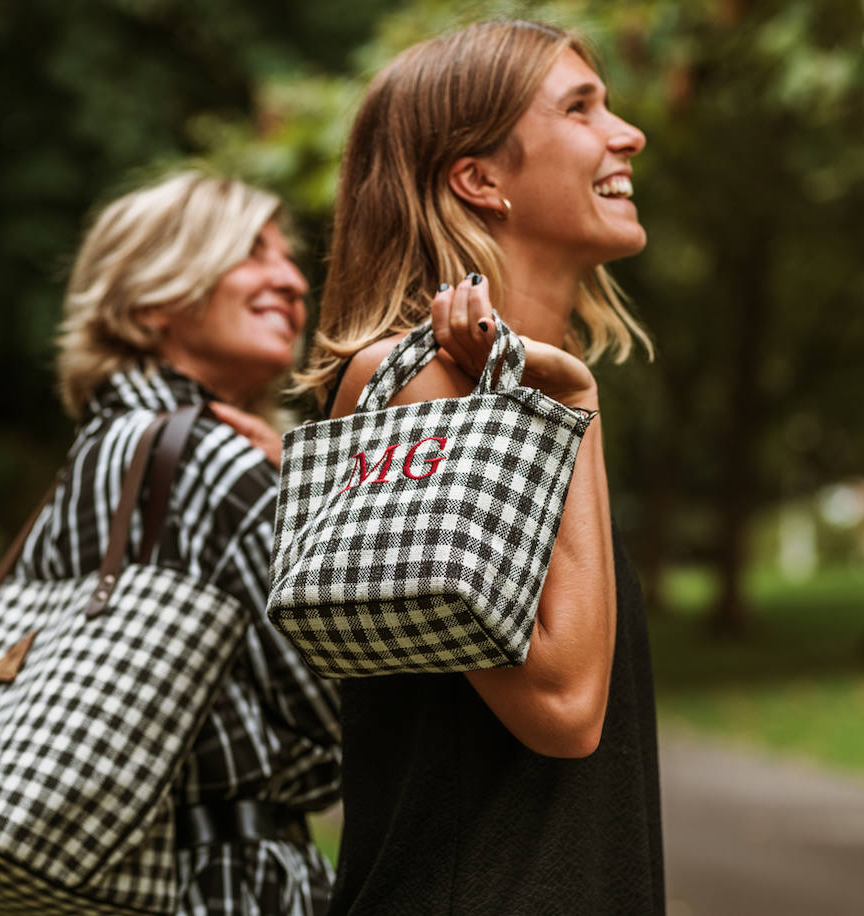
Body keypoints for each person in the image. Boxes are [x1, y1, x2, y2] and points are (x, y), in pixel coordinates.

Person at [22, 172, 487, 915]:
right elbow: (351, 705)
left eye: (287, 256)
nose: (293, 281)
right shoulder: (212, 459)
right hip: (229, 882)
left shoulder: (104, 449)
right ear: (149, 299)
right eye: (250, 253)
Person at [296, 20, 665, 915]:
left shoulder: (516, 385)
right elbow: (565, 709)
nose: (628, 134)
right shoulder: (420, 383)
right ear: (480, 180)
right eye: (580, 108)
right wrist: (572, 405)